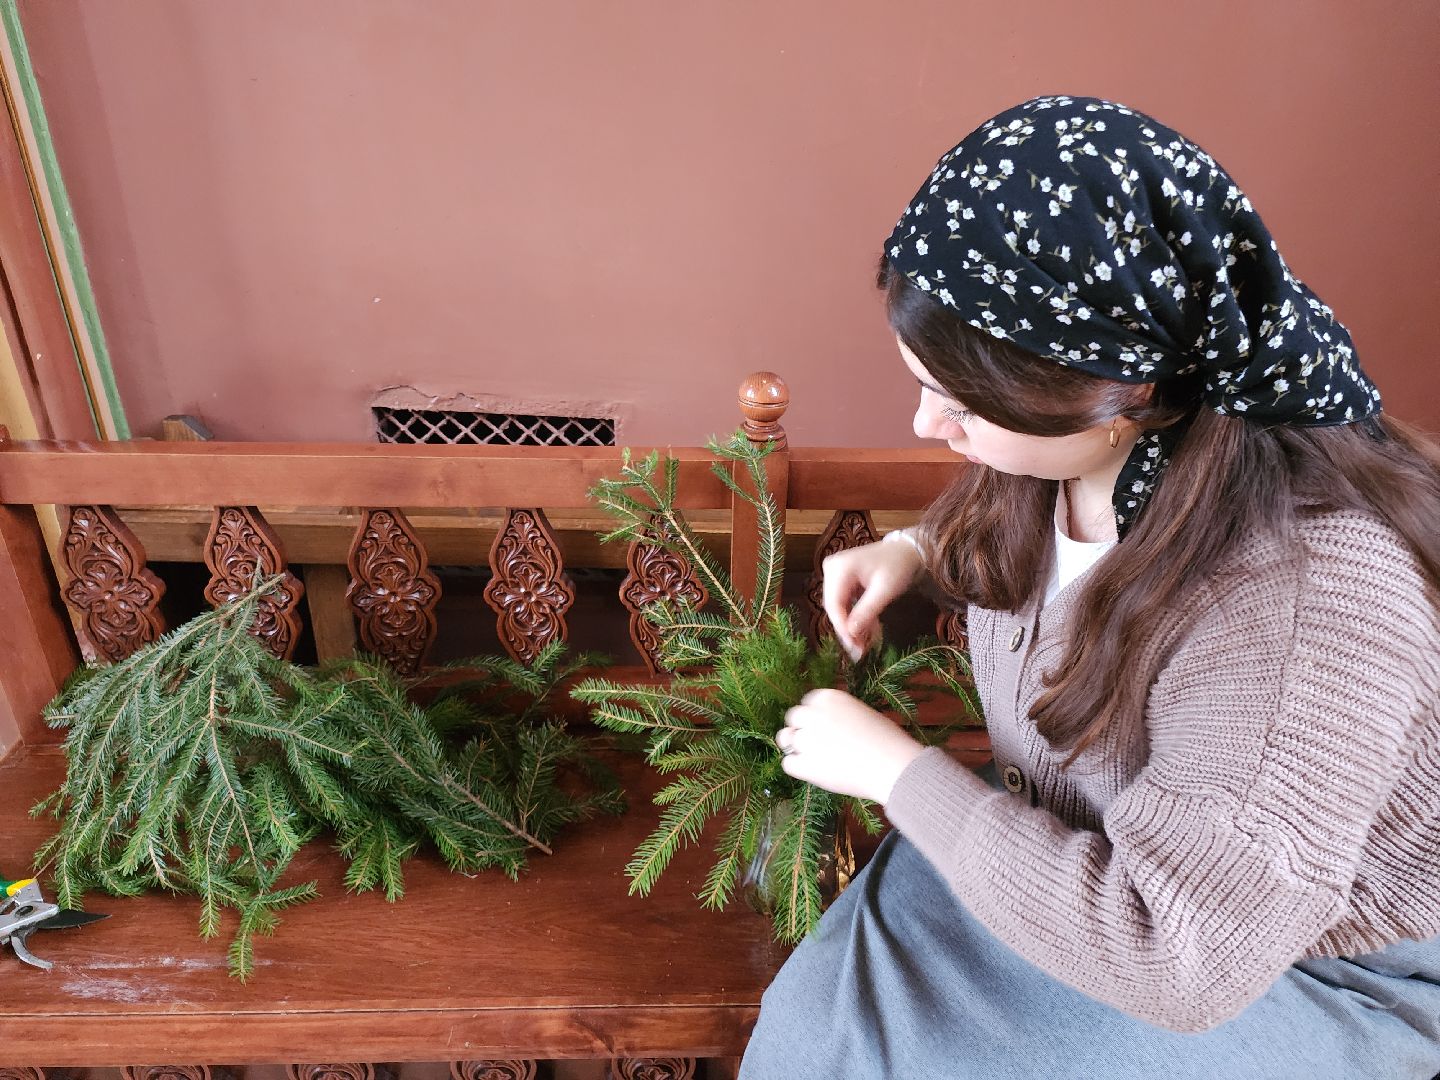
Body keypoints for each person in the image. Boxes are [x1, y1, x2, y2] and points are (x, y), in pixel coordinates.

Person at [738, 95, 1440, 1078]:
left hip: (1296, 966)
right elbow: (1062, 547)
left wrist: (901, 776)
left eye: (963, 399)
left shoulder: (1305, 603)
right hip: (1090, 853)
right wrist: (916, 548)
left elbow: (1181, 960)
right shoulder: (1090, 448)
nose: (925, 424)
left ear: (1126, 389)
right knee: (824, 1020)